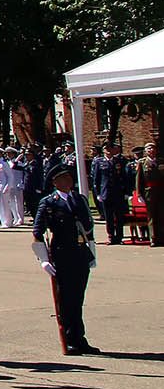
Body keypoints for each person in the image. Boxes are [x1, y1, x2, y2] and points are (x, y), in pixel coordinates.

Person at [31, 163, 98, 355]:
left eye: (69, 177)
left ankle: (80, 338)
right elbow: (38, 232)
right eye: (63, 178)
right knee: (65, 300)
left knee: (78, 298)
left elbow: (88, 229)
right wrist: (44, 259)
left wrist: (92, 254)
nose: (68, 181)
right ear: (55, 182)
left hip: (80, 253)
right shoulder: (49, 202)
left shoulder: (80, 200)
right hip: (61, 254)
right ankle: (69, 339)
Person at [94, 142, 131, 245]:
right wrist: (98, 194)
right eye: (107, 149)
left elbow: (124, 177)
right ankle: (111, 236)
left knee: (119, 216)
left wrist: (126, 192)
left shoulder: (119, 161)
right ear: (103, 151)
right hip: (106, 193)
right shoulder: (99, 162)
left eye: (110, 149)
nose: (109, 151)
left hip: (118, 192)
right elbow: (96, 179)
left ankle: (119, 237)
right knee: (109, 217)